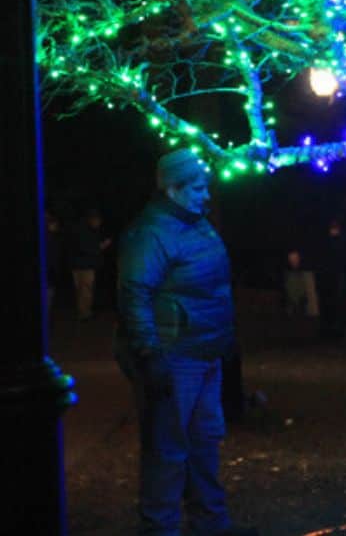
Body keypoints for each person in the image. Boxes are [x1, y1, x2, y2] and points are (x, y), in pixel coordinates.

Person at [115, 149, 257, 536]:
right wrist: (149, 354)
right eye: (197, 188)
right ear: (173, 189)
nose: (205, 195)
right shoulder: (153, 232)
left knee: (203, 443)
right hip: (174, 357)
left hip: (202, 353)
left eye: (205, 186)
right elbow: (134, 295)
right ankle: (161, 528)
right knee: (167, 450)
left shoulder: (194, 223)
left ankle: (211, 523)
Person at [68, 205, 109, 320]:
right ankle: (85, 313)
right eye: (98, 221)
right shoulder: (84, 231)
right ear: (93, 219)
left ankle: (82, 311)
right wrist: (101, 246)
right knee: (86, 290)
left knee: (81, 290)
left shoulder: (80, 228)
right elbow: (85, 248)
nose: (99, 224)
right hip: (84, 265)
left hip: (77, 264)